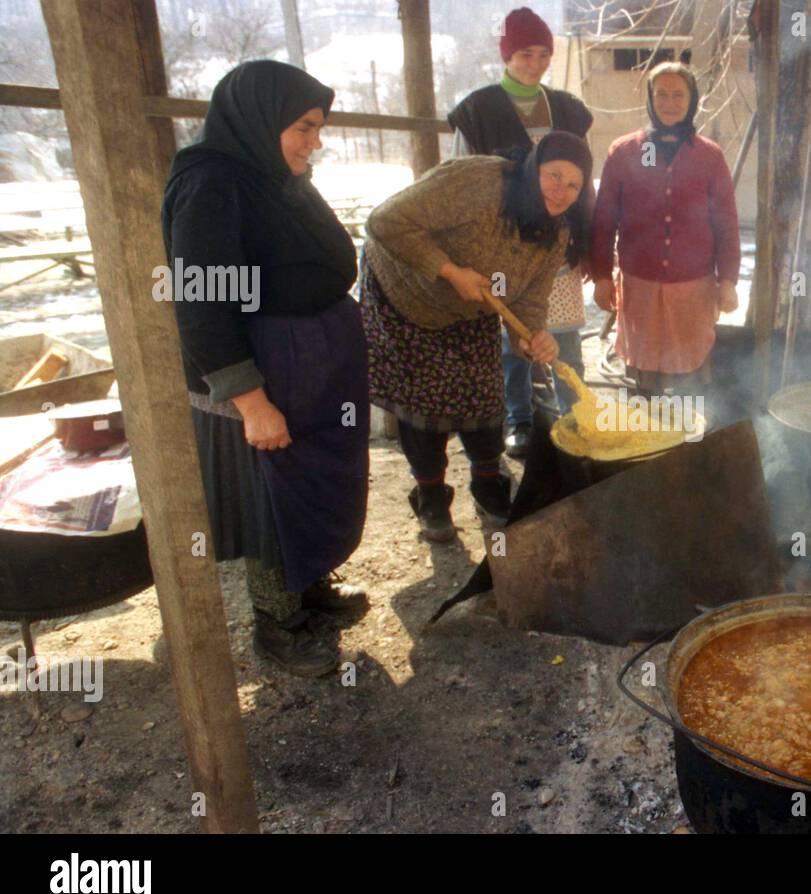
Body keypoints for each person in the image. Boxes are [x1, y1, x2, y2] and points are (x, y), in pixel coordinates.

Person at [163, 61, 370, 678]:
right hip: (265, 369)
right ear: (260, 117)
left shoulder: (275, 175)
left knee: (315, 480)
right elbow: (200, 298)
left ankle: (310, 591)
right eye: (303, 127)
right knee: (273, 492)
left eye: (318, 128)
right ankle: (278, 623)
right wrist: (250, 401)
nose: (315, 141)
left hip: (312, 362)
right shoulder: (212, 183)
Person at [360, 131, 593, 542]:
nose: (562, 191)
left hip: (475, 304)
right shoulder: (480, 184)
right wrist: (449, 271)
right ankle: (432, 499)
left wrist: (534, 337)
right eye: (554, 175)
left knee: (484, 396)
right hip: (409, 292)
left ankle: (489, 487)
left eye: (574, 185)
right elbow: (385, 221)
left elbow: (530, 304)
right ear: (534, 167)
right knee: (424, 403)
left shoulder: (554, 234)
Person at [448, 6, 594, 459]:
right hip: (502, 244)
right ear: (507, 55)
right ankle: (521, 419)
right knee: (513, 336)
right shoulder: (478, 111)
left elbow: (584, 177)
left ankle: (580, 415)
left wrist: (585, 240)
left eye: (543, 53)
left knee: (564, 335)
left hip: (558, 240)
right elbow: (459, 179)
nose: (534, 63)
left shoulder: (567, 109)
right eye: (524, 53)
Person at [591, 61, 741, 397]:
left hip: (694, 288)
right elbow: (604, 220)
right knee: (645, 378)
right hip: (640, 286)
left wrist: (727, 281)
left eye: (678, 94)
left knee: (690, 377)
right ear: (650, 99)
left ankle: (689, 438)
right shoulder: (626, 152)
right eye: (661, 94)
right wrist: (602, 275)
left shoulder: (709, 157)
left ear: (692, 100)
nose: (669, 102)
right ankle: (647, 437)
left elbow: (727, 225)